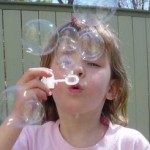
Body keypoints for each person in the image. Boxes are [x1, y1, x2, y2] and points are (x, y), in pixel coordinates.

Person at [0, 16, 150, 150]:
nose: (78, 69)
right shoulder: (29, 140)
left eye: (93, 63)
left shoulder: (131, 144)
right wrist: (18, 115)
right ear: (46, 79)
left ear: (111, 89)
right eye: (65, 61)